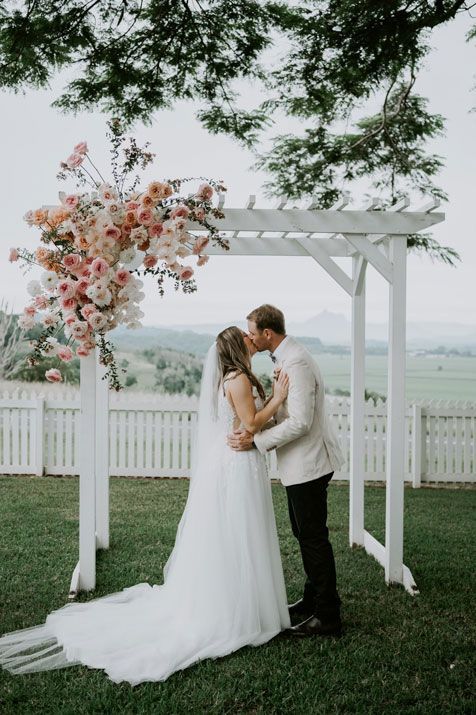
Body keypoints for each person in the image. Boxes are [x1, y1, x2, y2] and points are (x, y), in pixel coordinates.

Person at [0, 327, 291, 686]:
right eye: (247, 340)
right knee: (239, 534)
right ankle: (237, 610)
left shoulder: (228, 378)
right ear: (237, 346)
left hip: (229, 461)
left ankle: (241, 603)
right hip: (236, 466)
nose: (252, 342)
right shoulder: (238, 379)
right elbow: (249, 423)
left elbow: (241, 424)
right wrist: (277, 399)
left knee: (232, 535)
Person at [228, 305, 345, 637]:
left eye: (252, 332)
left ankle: (328, 615)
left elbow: (302, 422)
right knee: (304, 534)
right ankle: (312, 600)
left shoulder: (297, 363)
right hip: (299, 464)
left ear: (268, 333)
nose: (249, 338)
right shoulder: (285, 357)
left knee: (313, 538)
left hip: (309, 464)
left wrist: (257, 441)